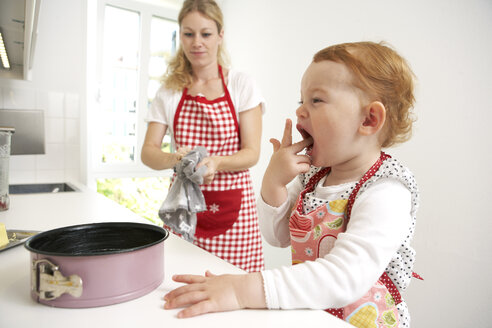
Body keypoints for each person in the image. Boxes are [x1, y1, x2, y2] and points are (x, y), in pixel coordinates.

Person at [163, 41, 421, 328]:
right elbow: (278, 236)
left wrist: (240, 289)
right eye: (302, 101)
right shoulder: (313, 177)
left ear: (369, 119)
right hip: (313, 316)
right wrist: (273, 183)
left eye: (317, 100)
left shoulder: (386, 191)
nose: (300, 112)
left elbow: (344, 277)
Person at [141, 0, 265, 273]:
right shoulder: (169, 92)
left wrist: (216, 163)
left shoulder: (241, 85)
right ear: (180, 36)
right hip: (183, 208)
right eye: (189, 33)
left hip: (234, 213)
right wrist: (176, 159)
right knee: (179, 283)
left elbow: (252, 153)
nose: (197, 42)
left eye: (206, 34)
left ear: (221, 36)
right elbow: (148, 152)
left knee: (236, 289)